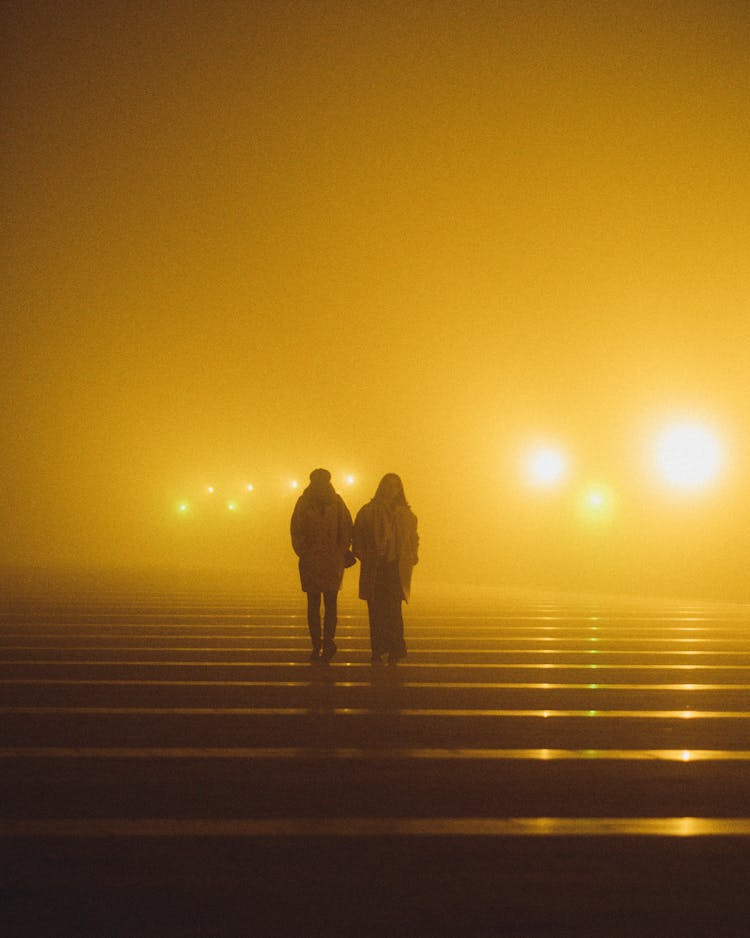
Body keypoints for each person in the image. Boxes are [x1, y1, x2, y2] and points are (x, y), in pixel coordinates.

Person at [352, 473, 419, 666]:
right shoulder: (368, 511)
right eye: (388, 486)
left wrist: (412, 554)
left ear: (400, 489)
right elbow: (357, 536)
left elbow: (414, 538)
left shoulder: (407, 515)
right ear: (382, 487)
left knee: (394, 611)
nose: (391, 490)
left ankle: (395, 650)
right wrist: (364, 554)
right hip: (376, 566)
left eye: (395, 486)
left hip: (396, 567)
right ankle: (378, 649)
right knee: (375, 611)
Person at [290, 468, 353, 663]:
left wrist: (340, 551)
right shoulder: (304, 504)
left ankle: (328, 641)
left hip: (332, 561)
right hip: (312, 561)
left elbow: (346, 528)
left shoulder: (337, 503)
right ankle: (317, 643)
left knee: (330, 604)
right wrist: (304, 552)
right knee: (314, 604)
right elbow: (296, 530)